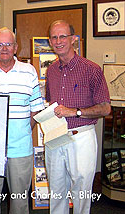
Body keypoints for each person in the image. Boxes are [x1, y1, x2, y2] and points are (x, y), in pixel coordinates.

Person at [0, 27, 44, 214]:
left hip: (21, 149)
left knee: (20, 200)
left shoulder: (29, 72)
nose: (4, 48)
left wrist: (21, 131)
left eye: (9, 44)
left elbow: (36, 109)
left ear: (16, 47)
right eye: (0, 44)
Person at [45, 20, 111, 214]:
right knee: (56, 190)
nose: (58, 41)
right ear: (50, 41)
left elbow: (105, 108)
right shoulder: (51, 71)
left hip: (81, 136)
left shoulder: (91, 69)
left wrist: (75, 112)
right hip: (56, 136)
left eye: (63, 36)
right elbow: (52, 102)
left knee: (81, 191)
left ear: (74, 39)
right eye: (54, 37)